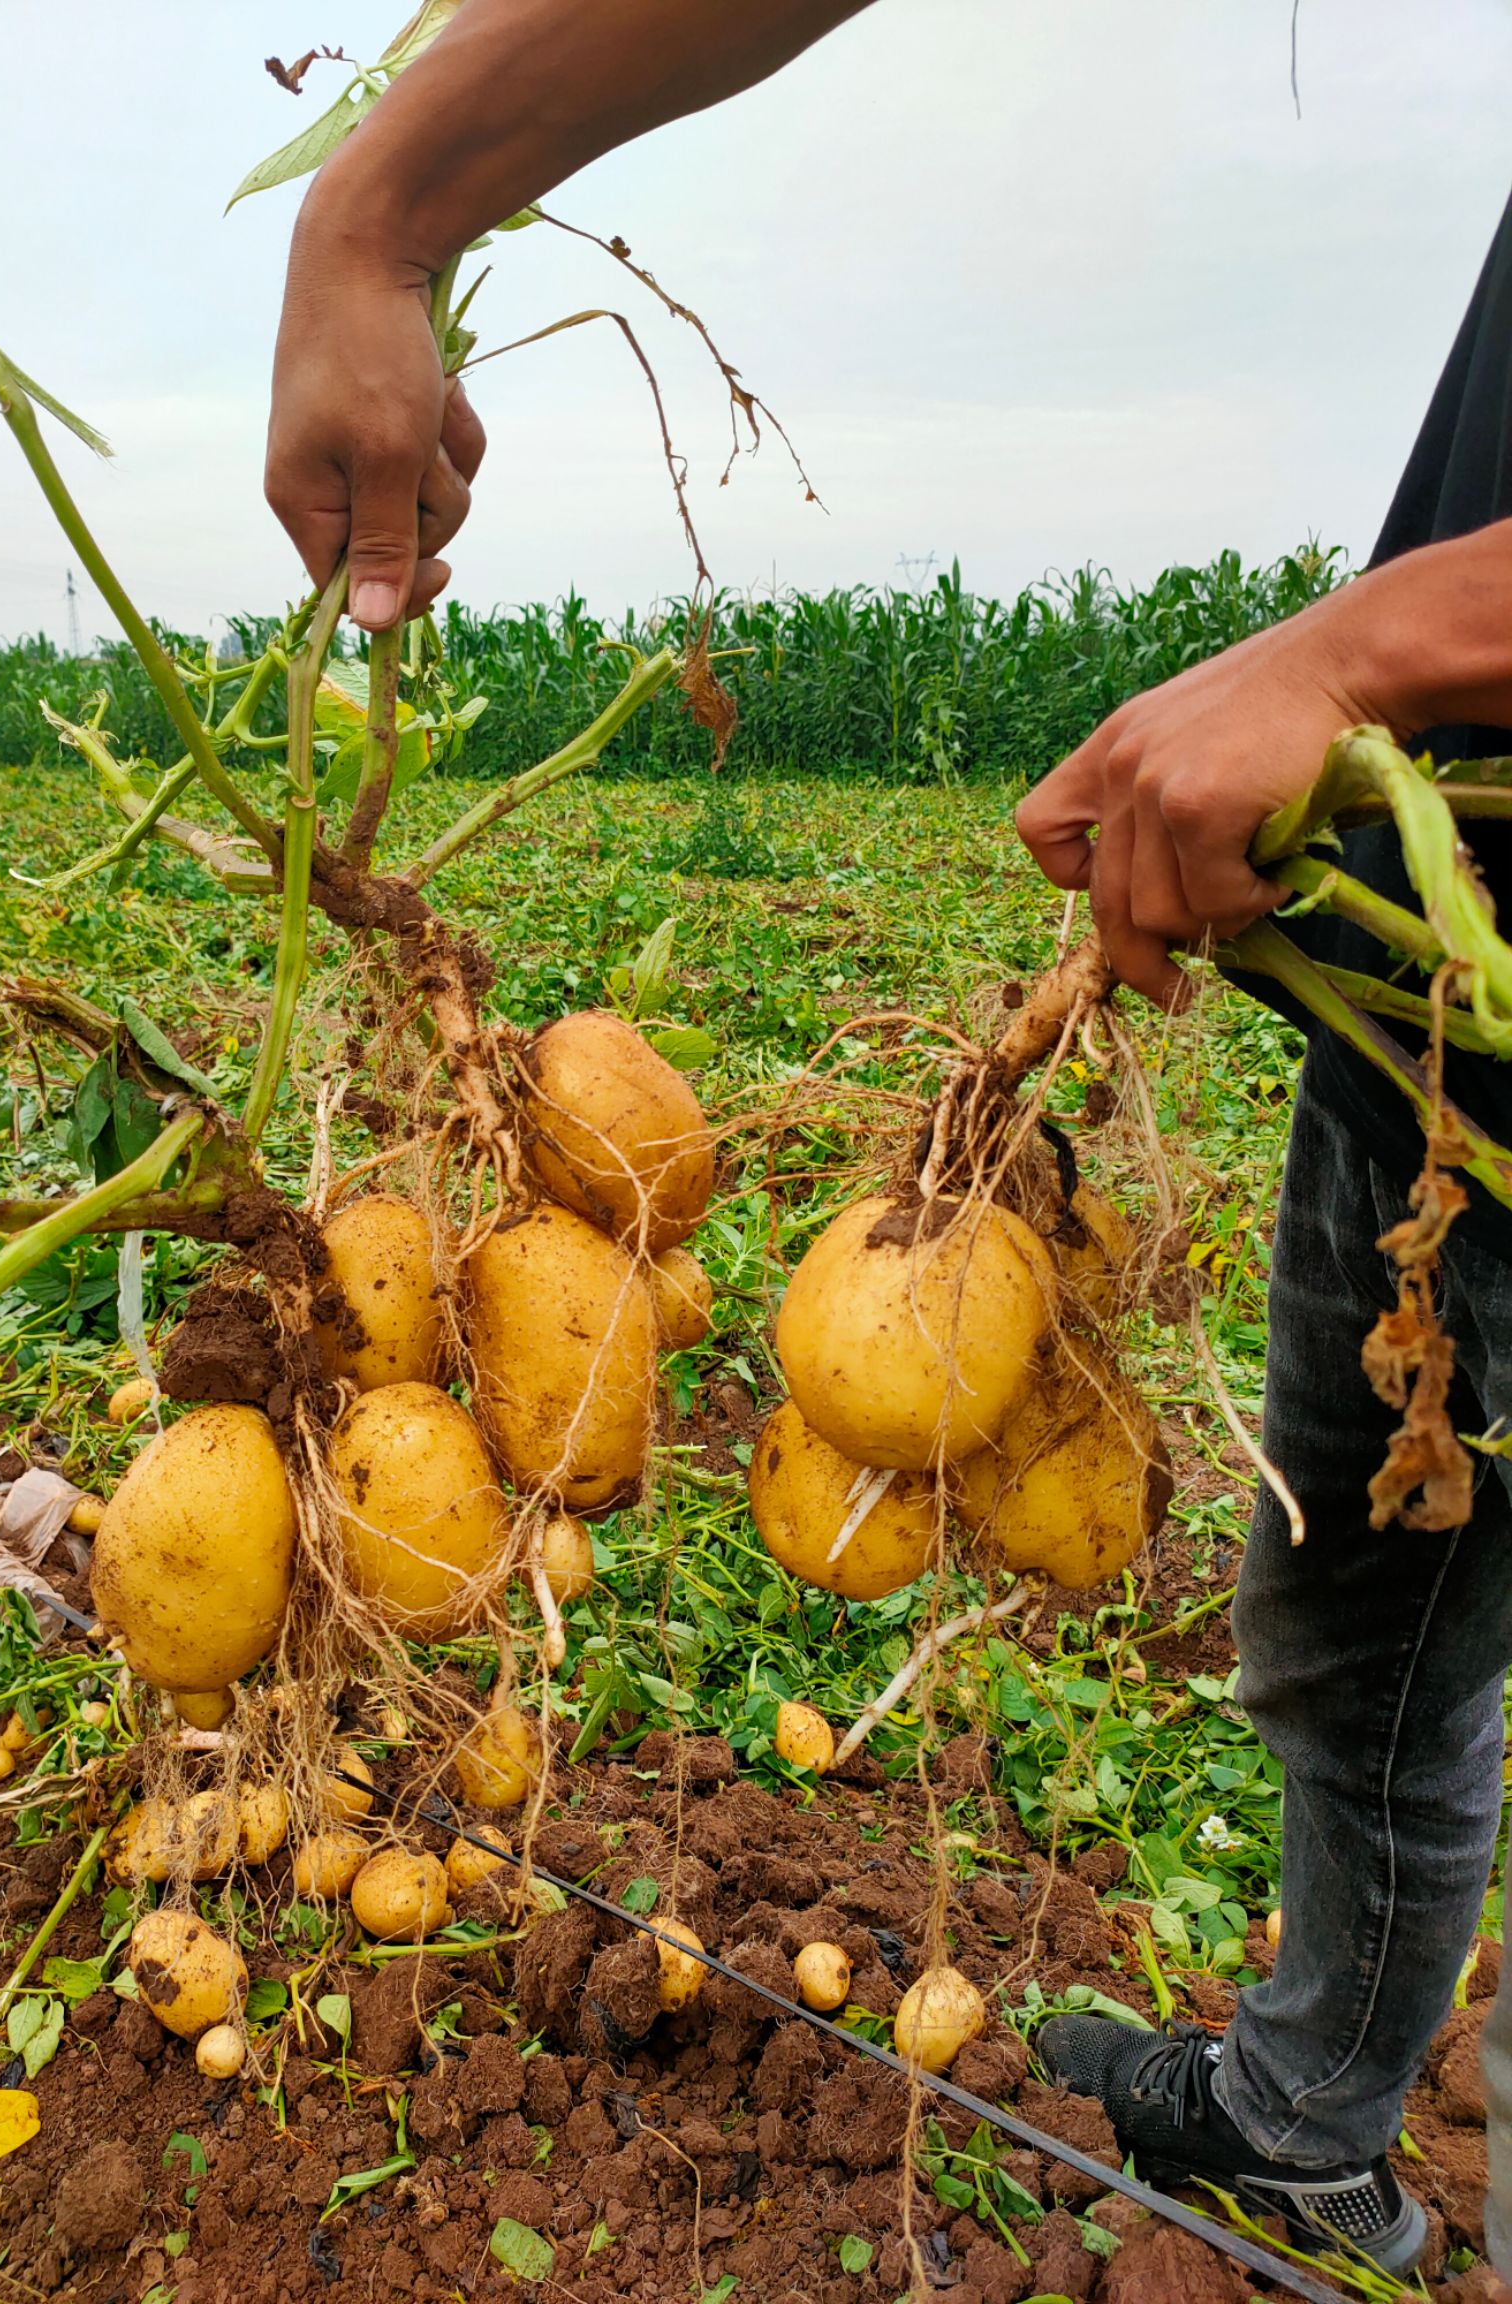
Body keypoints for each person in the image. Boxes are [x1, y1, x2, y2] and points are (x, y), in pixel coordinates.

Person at [265, 1, 1512, 2280]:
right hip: (1436, 1022)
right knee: (1368, 1642)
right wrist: (391, 203)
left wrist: (1370, 653)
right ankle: (1322, 2112)